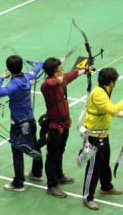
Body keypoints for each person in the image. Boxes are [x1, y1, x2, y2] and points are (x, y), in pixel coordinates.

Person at [0, 55, 44, 191]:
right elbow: (36, 68)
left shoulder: (13, 85)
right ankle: (37, 173)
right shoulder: (28, 77)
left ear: (9, 69)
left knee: (17, 151)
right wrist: (40, 62)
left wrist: (1, 78)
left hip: (18, 124)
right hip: (30, 120)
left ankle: (18, 183)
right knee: (34, 146)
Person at [40, 57, 88, 197]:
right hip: (54, 127)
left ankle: (59, 175)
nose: (63, 71)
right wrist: (60, 79)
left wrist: (84, 70)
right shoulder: (48, 85)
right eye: (61, 69)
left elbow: (71, 74)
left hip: (65, 124)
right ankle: (51, 186)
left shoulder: (60, 81)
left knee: (60, 151)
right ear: (55, 73)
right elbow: (50, 82)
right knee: (52, 156)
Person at [81, 67, 123, 210]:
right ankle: (87, 197)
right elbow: (113, 110)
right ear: (111, 82)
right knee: (93, 168)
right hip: (94, 136)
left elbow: (109, 111)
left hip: (103, 134)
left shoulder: (104, 91)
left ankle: (106, 187)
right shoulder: (99, 94)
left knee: (105, 164)